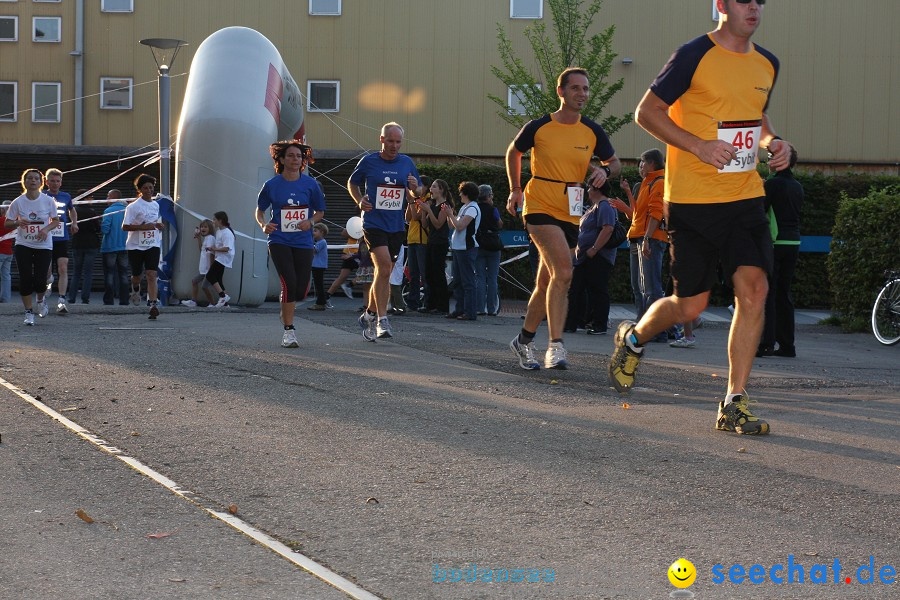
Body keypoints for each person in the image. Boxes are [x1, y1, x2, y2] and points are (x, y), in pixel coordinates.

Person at [610, 0, 795, 436]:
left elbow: (757, 115)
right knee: (690, 305)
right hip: (692, 201)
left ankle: (734, 400)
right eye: (744, 0)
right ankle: (634, 338)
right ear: (721, 5)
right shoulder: (694, 54)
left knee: (755, 289)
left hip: (745, 196)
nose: (754, 7)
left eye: (759, 2)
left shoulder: (768, 63)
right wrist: (698, 146)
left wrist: (772, 141)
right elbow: (647, 112)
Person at [506, 66, 621, 370]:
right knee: (565, 272)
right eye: (575, 88)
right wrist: (515, 189)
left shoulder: (592, 130)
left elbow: (615, 162)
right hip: (539, 202)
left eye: (585, 89)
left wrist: (604, 171)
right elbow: (513, 152)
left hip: (571, 208)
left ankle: (523, 341)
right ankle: (555, 346)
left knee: (547, 282)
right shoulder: (539, 126)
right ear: (561, 92)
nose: (582, 94)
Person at [347, 122, 421, 340]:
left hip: (396, 225)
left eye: (398, 142)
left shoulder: (406, 162)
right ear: (382, 140)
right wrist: (360, 200)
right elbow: (352, 183)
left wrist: (415, 187)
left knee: (384, 272)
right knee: (384, 267)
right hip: (373, 223)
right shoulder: (369, 161)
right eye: (390, 141)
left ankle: (369, 313)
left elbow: (418, 192)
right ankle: (382, 319)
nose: (394, 146)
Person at [256, 140, 325, 348]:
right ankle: (289, 330)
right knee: (289, 282)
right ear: (282, 159)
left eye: (298, 156)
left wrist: (310, 222)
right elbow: (259, 209)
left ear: (303, 160)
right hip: (279, 240)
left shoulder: (310, 185)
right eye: (291, 156)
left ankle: (285, 309)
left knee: (301, 289)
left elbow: (320, 212)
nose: (295, 159)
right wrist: (263, 224)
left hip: (303, 242)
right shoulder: (271, 185)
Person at [758, 146, 803, 357]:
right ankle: (787, 345)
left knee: (768, 293)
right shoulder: (797, 186)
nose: (767, 162)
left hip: (774, 243)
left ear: (778, 161)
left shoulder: (773, 184)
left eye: (769, 158)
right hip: (793, 243)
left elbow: (760, 210)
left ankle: (765, 343)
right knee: (784, 294)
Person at [622, 149, 668, 341]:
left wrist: (647, 238)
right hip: (639, 237)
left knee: (651, 288)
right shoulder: (646, 183)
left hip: (650, 238)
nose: (640, 166)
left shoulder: (659, 182)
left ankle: (656, 330)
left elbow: (656, 213)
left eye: (643, 163)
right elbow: (638, 214)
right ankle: (643, 326)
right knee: (640, 287)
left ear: (652, 164)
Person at [3, 169, 59, 325]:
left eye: (36, 178)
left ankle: (40, 301)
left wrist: (46, 229)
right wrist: (17, 222)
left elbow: (55, 220)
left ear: (41, 183)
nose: (33, 181)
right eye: (29, 178)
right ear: (24, 182)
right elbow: (7, 223)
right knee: (25, 279)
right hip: (24, 244)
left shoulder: (48, 201)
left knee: (41, 281)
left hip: (43, 245)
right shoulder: (18, 202)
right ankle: (28, 313)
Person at [565, 181, 618, 335]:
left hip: (598, 256)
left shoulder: (605, 206)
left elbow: (608, 228)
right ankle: (572, 323)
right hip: (584, 257)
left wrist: (594, 249)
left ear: (597, 190)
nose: (588, 190)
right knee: (576, 289)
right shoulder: (593, 207)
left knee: (598, 290)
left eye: (590, 188)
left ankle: (599, 324)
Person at [122, 173, 165, 319]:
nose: (149, 190)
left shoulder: (156, 205)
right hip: (135, 245)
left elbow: (154, 223)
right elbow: (125, 227)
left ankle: (153, 304)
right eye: (145, 188)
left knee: (152, 274)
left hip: (152, 243)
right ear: (140, 190)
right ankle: (135, 289)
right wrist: (142, 227)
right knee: (136, 275)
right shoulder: (133, 207)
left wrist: (158, 225)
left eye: (151, 187)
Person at [444, 181, 481, 320]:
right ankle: (459, 310)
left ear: (466, 193)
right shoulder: (465, 207)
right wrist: (449, 214)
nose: (459, 194)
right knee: (458, 280)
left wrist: (450, 214)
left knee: (468, 281)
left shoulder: (472, 208)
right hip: (459, 248)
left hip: (467, 248)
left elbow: (460, 226)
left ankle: (470, 312)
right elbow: (453, 225)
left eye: (461, 192)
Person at [44, 168, 78, 313]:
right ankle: (48, 286)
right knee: (47, 270)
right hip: (45, 236)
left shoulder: (66, 196)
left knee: (63, 267)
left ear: (61, 182)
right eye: (52, 181)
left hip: (61, 237)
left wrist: (74, 223)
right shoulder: (42, 195)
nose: (55, 183)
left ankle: (62, 300)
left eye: (58, 181)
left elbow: (72, 210)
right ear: (46, 182)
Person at [420, 179, 452, 314]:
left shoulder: (445, 206)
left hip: (440, 242)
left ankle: (442, 306)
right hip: (431, 241)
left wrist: (429, 210)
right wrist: (424, 211)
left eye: (434, 187)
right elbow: (424, 224)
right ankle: (430, 303)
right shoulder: (432, 205)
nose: (431, 190)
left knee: (438, 274)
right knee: (429, 274)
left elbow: (439, 224)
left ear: (441, 190)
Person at [67, 189, 101, 304]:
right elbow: (98, 228)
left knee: (76, 272)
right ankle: (85, 298)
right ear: (84, 198)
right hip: (91, 244)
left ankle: (71, 298)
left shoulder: (73, 211)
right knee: (88, 273)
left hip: (77, 244)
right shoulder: (92, 212)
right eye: (90, 197)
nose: (92, 199)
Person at [475, 184, 503, 316]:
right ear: (489, 196)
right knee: (492, 278)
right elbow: (500, 223)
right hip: (493, 245)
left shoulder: (476, 209)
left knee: (480, 277)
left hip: (480, 245)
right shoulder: (493, 209)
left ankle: (480, 308)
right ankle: (491, 309)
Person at [404, 176, 431, 312]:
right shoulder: (416, 199)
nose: (416, 188)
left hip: (423, 240)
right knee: (413, 274)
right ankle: (412, 302)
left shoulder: (428, 200)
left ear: (425, 187)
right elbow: (407, 218)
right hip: (412, 239)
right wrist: (410, 203)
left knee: (424, 273)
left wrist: (413, 201)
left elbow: (416, 217)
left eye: (419, 186)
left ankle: (427, 302)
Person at [100, 189, 130, 305]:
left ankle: (109, 300)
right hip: (124, 247)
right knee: (123, 274)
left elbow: (105, 229)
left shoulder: (108, 211)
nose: (106, 199)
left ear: (113, 197)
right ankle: (124, 300)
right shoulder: (127, 210)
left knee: (109, 274)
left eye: (108, 196)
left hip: (109, 247)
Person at [180, 218, 217, 307]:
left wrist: (211, 268)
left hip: (208, 269)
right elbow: (202, 250)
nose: (203, 229)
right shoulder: (206, 239)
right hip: (204, 269)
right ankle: (193, 301)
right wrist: (199, 239)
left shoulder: (211, 238)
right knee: (194, 281)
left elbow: (212, 253)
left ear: (210, 229)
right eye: (201, 227)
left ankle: (212, 303)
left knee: (204, 286)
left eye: (205, 227)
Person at [205, 211, 235, 308]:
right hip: (220, 256)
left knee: (210, 275)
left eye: (214, 219)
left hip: (224, 258)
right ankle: (225, 304)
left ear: (220, 220)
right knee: (218, 279)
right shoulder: (219, 232)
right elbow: (219, 245)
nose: (213, 222)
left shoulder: (227, 233)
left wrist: (214, 249)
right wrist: (212, 248)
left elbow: (227, 248)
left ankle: (222, 297)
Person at [326, 226, 359, 300]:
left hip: (362, 254)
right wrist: (354, 234)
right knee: (342, 277)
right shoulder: (354, 223)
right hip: (349, 253)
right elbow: (343, 233)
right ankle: (326, 297)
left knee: (366, 274)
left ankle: (349, 285)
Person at [307, 222, 330, 311]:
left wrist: (308, 241)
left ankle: (320, 303)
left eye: (315, 231)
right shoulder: (319, 242)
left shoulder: (322, 242)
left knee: (319, 285)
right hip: (317, 265)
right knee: (318, 284)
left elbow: (314, 250)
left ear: (322, 232)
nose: (313, 233)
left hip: (318, 266)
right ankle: (322, 301)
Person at [0, 201, 13, 303]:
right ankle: (5, 298)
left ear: (3, 210)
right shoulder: (13, 223)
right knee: (6, 276)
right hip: (8, 252)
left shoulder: (1, 220)